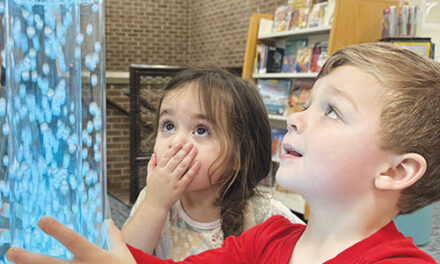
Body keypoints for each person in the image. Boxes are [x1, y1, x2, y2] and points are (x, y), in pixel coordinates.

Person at [6, 42, 440, 264]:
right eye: (305, 103)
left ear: (397, 169)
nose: (294, 117)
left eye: (331, 111)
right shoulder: (267, 242)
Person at [122, 66, 302, 260]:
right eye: (169, 126)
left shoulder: (266, 216)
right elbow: (118, 258)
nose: (176, 141)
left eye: (201, 130)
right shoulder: (152, 198)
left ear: (239, 156)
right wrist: (155, 204)